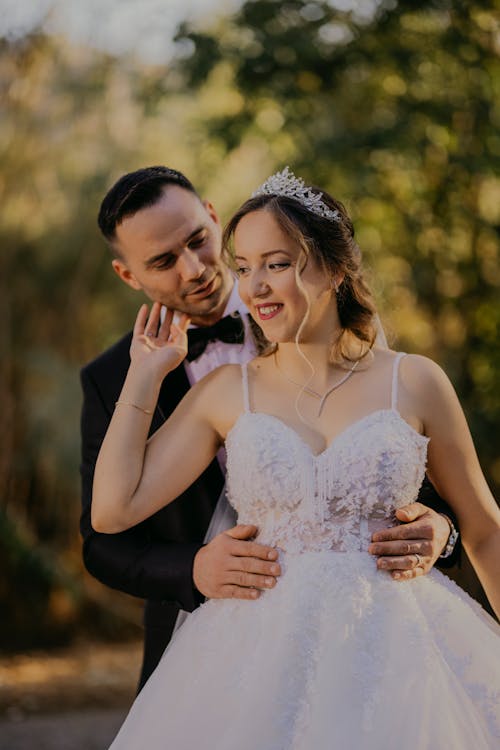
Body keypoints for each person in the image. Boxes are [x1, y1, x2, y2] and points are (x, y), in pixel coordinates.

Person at [92, 167, 500, 748]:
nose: (254, 285)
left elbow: (485, 530)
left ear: (334, 268)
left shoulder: (416, 381)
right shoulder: (228, 392)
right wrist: (145, 373)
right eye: (245, 267)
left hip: (402, 654)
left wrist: (441, 529)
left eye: (276, 264)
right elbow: (111, 511)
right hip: (252, 656)